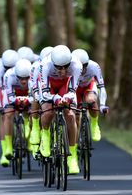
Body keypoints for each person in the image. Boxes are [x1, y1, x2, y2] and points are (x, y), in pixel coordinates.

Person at [39, 45, 82, 174]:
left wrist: (67, 98)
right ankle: (45, 137)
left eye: (65, 67)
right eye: (58, 67)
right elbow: (45, 93)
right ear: (53, 64)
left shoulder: (76, 65)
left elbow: (73, 90)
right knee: (48, 112)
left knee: (70, 115)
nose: (62, 71)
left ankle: (72, 156)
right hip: (50, 86)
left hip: (65, 86)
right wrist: (56, 98)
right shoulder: (45, 65)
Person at [72, 49, 109, 141]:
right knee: (75, 117)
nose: (83, 69)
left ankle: (94, 124)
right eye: (80, 66)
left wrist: (103, 105)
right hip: (74, 89)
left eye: (85, 65)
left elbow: (102, 87)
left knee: (91, 101)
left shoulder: (94, 66)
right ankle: (74, 143)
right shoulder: (69, 68)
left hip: (89, 86)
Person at [2, 59, 33, 159]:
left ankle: (29, 140)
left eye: (26, 78)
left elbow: (35, 96)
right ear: (16, 75)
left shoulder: (34, 74)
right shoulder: (9, 75)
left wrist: (28, 101)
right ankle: (9, 147)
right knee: (8, 114)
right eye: (20, 78)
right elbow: (9, 97)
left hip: (28, 94)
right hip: (14, 94)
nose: (23, 81)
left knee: (34, 111)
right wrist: (17, 101)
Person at [0, 49, 19, 167]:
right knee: (5, 115)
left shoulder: (21, 64)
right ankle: (5, 151)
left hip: (17, 84)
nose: (9, 70)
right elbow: (4, 90)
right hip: (4, 87)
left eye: (11, 67)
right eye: (7, 68)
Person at [29, 46, 53, 157]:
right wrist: (38, 96)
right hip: (39, 84)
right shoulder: (36, 66)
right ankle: (35, 126)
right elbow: (34, 86)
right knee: (36, 99)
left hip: (54, 83)